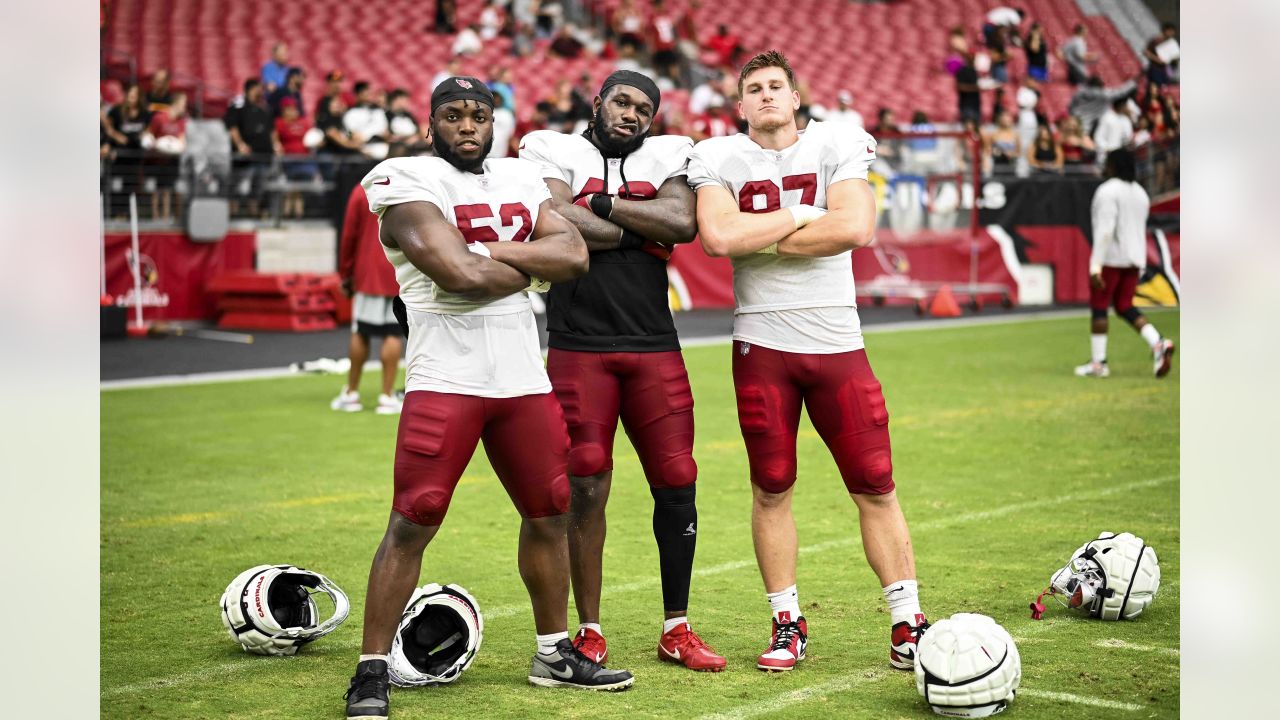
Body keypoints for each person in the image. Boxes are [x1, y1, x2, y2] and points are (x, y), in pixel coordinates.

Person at [343, 77, 633, 720]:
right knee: (413, 518)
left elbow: (577, 255)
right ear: (430, 126)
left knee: (551, 511)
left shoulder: (521, 179)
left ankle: (553, 651)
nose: (468, 125)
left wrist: (487, 250)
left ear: (494, 123)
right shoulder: (405, 178)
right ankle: (370, 671)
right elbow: (459, 276)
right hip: (446, 378)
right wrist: (529, 260)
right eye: (453, 115)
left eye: (479, 114)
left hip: (522, 379)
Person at [685, 50, 929, 674]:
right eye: (754, 89)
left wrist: (759, 233)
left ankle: (907, 622)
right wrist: (799, 215)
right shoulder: (716, 156)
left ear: (795, 98)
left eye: (776, 86)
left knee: (876, 483)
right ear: (740, 106)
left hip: (838, 343)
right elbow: (716, 239)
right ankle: (787, 622)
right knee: (772, 488)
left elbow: (854, 228)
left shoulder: (838, 142)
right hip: (761, 347)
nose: (766, 96)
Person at [519, 70, 726, 673]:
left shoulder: (670, 153)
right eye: (622, 101)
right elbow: (550, 216)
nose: (632, 113)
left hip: (653, 343)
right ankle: (588, 630)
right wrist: (641, 231)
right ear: (598, 101)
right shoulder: (551, 147)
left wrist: (602, 207)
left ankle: (677, 627)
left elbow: (682, 224)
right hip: (578, 343)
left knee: (677, 478)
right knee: (583, 483)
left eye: (644, 107)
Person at [1075, 148, 1175, 379]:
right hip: (1135, 257)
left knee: (1099, 306)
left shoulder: (1108, 191)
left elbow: (1105, 230)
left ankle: (1098, 363)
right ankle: (1157, 342)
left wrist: (1095, 265)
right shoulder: (1140, 193)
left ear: (1113, 165)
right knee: (1124, 306)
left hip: (1112, 258)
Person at [332, 184, 407, 415]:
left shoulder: (364, 189)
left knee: (360, 331)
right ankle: (386, 397)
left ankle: (351, 394)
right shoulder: (414, 187)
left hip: (368, 272)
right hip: (400, 271)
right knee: (392, 333)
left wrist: (345, 274)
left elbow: (349, 235)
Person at [224, 78, 281, 214]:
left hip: (263, 156)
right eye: (258, 88)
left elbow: (272, 130)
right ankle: (233, 214)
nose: (261, 91)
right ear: (250, 90)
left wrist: (276, 144)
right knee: (238, 187)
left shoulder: (265, 108)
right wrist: (240, 144)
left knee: (258, 189)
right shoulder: (238, 106)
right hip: (244, 159)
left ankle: (253, 214)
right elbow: (232, 127)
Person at [146, 92, 188, 220]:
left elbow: (182, 139)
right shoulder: (159, 118)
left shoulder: (181, 121)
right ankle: (155, 217)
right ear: (176, 104)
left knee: (167, 190)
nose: (184, 108)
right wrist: (155, 144)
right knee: (156, 191)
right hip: (156, 159)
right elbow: (149, 134)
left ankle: (165, 217)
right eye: (183, 104)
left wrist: (179, 146)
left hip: (171, 161)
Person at [1093, 96, 1133, 164]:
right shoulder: (1106, 117)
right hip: (1106, 157)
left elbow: (1128, 138)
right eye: (1125, 105)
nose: (1126, 107)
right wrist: (1107, 148)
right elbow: (1098, 137)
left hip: (1121, 158)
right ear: (1120, 105)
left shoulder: (1126, 120)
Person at [954, 53, 982, 125]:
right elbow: (959, 86)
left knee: (976, 128)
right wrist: (974, 88)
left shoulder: (975, 71)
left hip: (976, 104)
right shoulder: (961, 71)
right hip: (966, 105)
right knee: (968, 127)